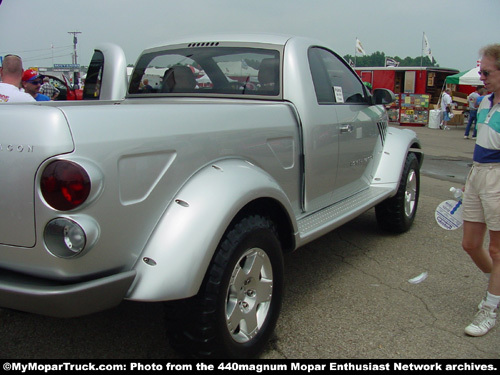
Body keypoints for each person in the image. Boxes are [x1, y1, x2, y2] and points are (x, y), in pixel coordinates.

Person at [461, 43, 500, 337]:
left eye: (486, 72)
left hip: (498, 177)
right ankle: (496, 285)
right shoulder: (485, 102)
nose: (481, 76)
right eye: (480, 71)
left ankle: (489, 308)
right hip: (477, 173)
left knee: (497, 250)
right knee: (471, 245)